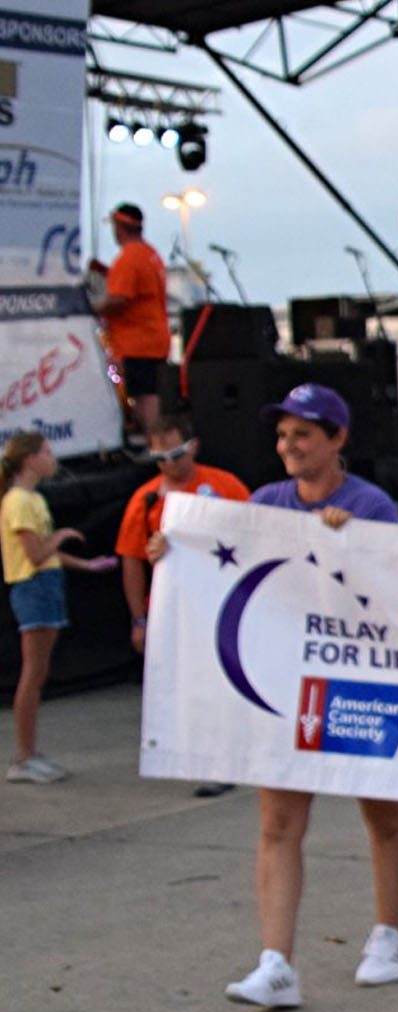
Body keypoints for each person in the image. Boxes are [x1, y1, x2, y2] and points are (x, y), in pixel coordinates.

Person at [181, 383, 398, 1008]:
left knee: (383, 814)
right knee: (279, 821)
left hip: (362, 681)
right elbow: (229, 575)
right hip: (288, 685)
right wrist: (171, 554)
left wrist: (350, 545)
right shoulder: (265, 503)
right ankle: (276, 962)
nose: (288, 445)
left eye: (303, 434)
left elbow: (396, 595)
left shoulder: (373, 504)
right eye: (283, 434)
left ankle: (390, 935)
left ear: (337, 440)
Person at [114, 413, 250, 797]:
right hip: (173, 610)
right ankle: (202, 757)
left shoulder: (224, 485)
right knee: (188, 686)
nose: (168, 464)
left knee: (225, 680)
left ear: (193, 447)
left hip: (224, 604)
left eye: (175, 454)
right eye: (159, 457)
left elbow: (258, 532)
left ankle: (227, 759)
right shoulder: (144, 499)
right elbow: (130, 559)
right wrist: (139, 618)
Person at [3, 433, 117, 783]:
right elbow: (36, 554)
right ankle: (23, 757)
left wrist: (86, 565)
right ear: (30, 459)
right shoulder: (19, 501)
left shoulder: (33, 499)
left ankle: (31, 753)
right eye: (48, 453)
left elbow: (44, 551)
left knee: (39, 672)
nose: (53, 459)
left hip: (46, 585)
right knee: (33, 673)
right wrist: (63, 535)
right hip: (33, 588)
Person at [92, 203, 173, 443]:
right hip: (153, 337)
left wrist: (92, 309)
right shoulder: (150, 254)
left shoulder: (129, 258)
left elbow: (119, 299)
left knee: (145, 396)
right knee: (148, 393)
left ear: (119, 227)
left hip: (138, 341)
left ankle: (154, 444)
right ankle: (153, 441)